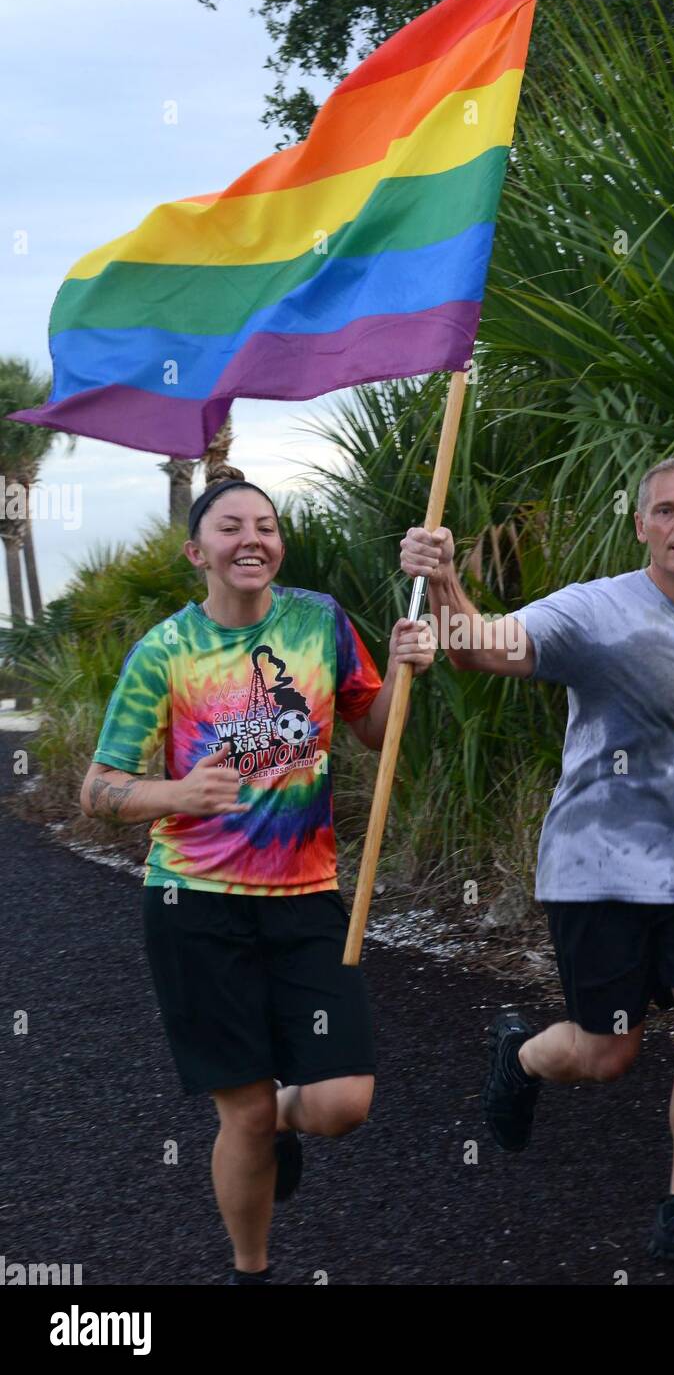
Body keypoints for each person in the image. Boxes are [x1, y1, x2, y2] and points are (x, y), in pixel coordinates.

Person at [400, 457, 674, 1276]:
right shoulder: (595, 611)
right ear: (642, 528)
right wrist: (446, 582)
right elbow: (484, 651)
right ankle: (520, 1054)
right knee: (608, 1052)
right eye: (666, 511)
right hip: (596, 868)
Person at [81, 464, 434, 1285]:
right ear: (196, 551)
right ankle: (252, 1268)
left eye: (266, 526)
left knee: (343, 1103)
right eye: (232, 528)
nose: (252, 540)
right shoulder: (164, 653)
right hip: (195, 905)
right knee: (237, 1113)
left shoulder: (320, 622)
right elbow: (99, 789)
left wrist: (416, 666)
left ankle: (278, 1116)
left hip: (309, 898)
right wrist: (177, 791)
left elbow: (377, 732)